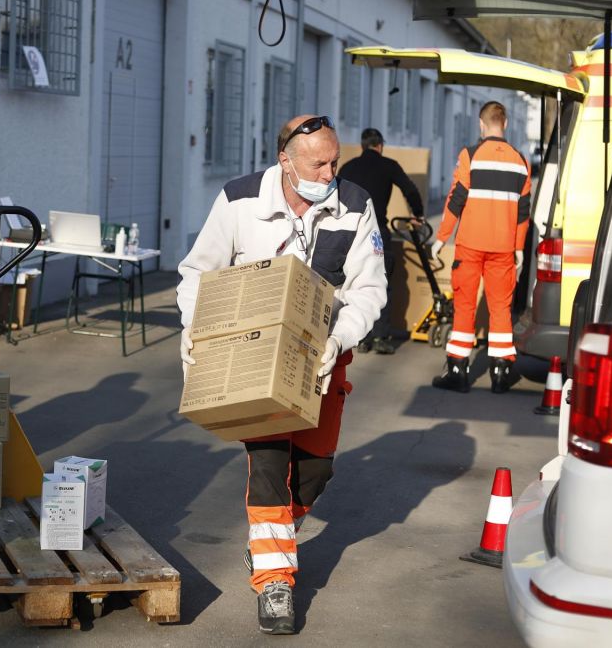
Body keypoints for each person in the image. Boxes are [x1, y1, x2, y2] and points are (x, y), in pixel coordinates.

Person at [177, 115, 386, 635]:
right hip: (254, 358)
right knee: (269, 465)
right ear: (285, 161)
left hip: (325, 358)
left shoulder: (356, 205)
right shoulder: (239, 200)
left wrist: (339, 339)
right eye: (319, 163)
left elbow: (369, 290)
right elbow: (197, 272)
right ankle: (275, 583)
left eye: (334, 160)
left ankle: (273, 543)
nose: (330, 171)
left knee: (315, 470)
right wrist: (196, 325)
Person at [430, 101, 531, 393]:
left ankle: (458, 371)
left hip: (470, 246)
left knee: (464, 306)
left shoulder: (470, 155)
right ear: (506, 124)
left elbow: (455, 199)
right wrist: (519, 248)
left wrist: (441, 237)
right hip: (503, 249)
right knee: (501, 308)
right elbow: (523, 212)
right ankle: (501, 373)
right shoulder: (521, 162)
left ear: (481, 124)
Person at [338, 127, 424, 354]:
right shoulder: (389, 166)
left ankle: (361, 337)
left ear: (362, 146)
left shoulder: (348, 167)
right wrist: (418, 214)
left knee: (353, 284)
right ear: (381, 145)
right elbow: (410, 189)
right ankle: (380, 337)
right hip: (376, 234)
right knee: (380, 282)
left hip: (349, 233)